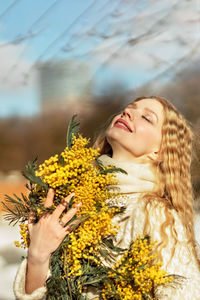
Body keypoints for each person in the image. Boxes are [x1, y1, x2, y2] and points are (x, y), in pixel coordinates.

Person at [14, 96, 200, 299]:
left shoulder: (156, 212)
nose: (127, 113)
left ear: (160, 151)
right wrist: (38, 256)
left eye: (147, 118)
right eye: (129, 108)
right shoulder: (71, 198)